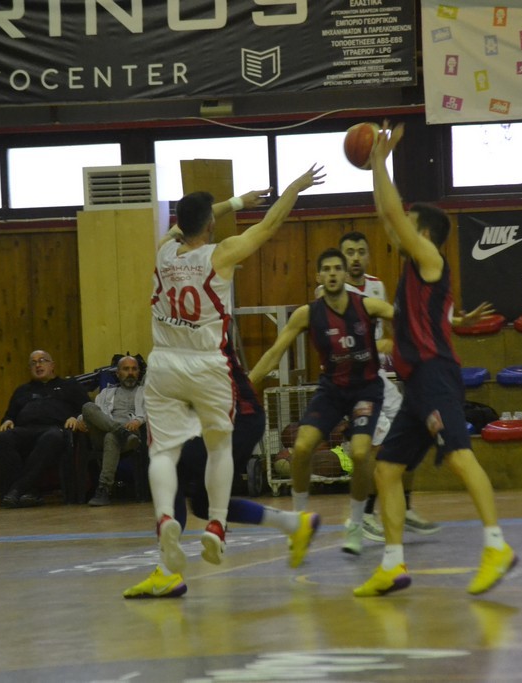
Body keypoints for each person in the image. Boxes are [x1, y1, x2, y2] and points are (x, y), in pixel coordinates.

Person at [138, 166, 324, 588]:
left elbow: (190, 221)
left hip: (177, 371)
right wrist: (294, 187)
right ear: (210, 225)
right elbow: (269, 225)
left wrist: (236, 202)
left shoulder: (164, 251)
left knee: (168, 463)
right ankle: (259, 526)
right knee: (203, 494)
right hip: (207, 372)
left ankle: (167, 561)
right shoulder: (219, 255)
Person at [358, 121, 515, 597]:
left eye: (408, 222)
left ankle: (496, 547)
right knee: (387, 469)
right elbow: (386, 213)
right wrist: (378, 167)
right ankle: (392, 564)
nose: (396, 227)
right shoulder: (416, 268)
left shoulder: (429, 256)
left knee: (461, 457)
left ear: (424, 232)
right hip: (415, 384)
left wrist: (380, 160)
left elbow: (391, 211)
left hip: (434, 376)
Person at [123, 350, 320, 598]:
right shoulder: (188, 343)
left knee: (174, 470)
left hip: (237, 419)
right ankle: (294, 523)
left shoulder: (195, 340)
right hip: (236, 417)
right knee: (203, 504)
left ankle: (167, 572)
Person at [250, 247, 394, 556]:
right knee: (302, 447)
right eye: (326, 269)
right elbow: (275, 352)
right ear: (318, 276)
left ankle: (356, 524)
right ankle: (300, 519)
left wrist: (392, 340)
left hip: (365, 390)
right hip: (332, 391)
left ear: (345, 275)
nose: (331, 274)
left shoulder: (366, 305)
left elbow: (405, 319)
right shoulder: (308, 314)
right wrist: (246, 386)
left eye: (336, 269)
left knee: (360, 453)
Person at [327, 230, 440, 541]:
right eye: (349, 252)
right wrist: (376, 346)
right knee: (375, 449)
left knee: (413, 431)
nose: (355, 257)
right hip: (351, 380)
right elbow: (337, 341)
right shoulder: (330, 290)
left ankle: (405, 507)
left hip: (378, 378)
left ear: (368, 256)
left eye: (360, 251)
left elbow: (392, 324)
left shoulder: (376, 285)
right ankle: (363, 516)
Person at [0, 350, 90, 508]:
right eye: (33, 362)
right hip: (25, 430)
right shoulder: (22, 391)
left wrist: (76, 417)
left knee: (52, 437)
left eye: (42, 360)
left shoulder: (70, 386)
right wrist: (8, 420)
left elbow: (88, 409)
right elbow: (10, 415)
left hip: (55, 430)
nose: (38, 365)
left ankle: (17, 490)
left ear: (52, 365)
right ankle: (28, 491)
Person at [77, 355, 146, 507]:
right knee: (87, 407)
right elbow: (94, 413)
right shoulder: (106, 393)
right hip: (108, 434)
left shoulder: (145, 392)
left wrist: (139, 420)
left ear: (139, 372)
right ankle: (119, 431)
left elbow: (151, 412)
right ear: (118, 373)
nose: (130, 373)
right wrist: (78, 419)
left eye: (134, 369)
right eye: (126, 369)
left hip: (131, 433)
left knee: (111, 436)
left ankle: (103, 490)